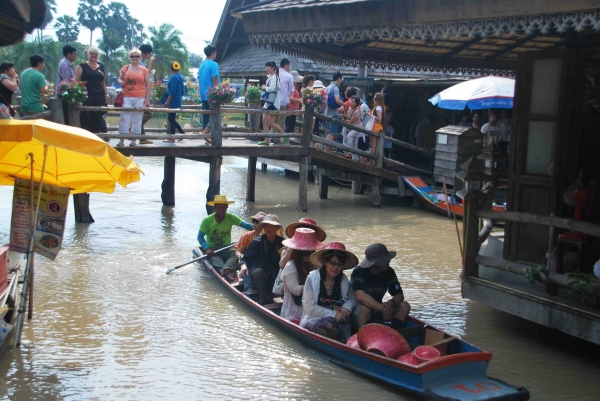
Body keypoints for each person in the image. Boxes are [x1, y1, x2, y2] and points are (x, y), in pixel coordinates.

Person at [301, 242, 358, 341]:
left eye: (339, 264)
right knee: (327, 326)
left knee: (331, 326)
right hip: (314, 318)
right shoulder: (312, 278)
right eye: (332, 263)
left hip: (339, 321)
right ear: (325, 262)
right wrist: (334, 315)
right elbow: (309, 308)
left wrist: (346, 307)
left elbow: (353, 298)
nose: (336, 267)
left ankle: (338, 346)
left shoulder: (344, 280)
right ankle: (339, 345)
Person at [351, 243, 411, 330]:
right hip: (359, 307)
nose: (389, 261)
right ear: (375, 263)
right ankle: (359, 336)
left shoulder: (389, 272)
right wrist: (383, 308)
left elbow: (399, 295)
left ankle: (396, 332)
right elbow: (361, 296)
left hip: (379, 306)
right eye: (385, 260)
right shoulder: (359, 272)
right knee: (366, 309)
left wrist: (391, 303)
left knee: (404, 306)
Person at [198, 195, 254, 282]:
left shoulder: (231, 217)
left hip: (226, 247)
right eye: (219, 207)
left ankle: (225, 271)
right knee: (215, 260)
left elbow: (246, 225)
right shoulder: (207, 220)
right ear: (215, 208)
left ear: (227, 207)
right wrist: (206, 248)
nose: (221, 209)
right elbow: (200, 236)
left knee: (236, 255)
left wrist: (260, 226)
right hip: (213, 249)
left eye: (224, 207)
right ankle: (226, 272)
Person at [280, 228, 325, 323]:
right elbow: (295, 290)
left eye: (310, 252)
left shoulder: (315, 265)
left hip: (310, 305)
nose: (307, 254)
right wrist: (314, 286)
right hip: (294, 309)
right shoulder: (290, 266)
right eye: (304, 252)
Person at [242, 214, 285, 305]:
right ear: (264, 228)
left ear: (277, 228)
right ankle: (263, 302)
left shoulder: (282, 242)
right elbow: (246, 259)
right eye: (267, 226)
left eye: (272, 226)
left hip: (277, 278)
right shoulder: (257, 242)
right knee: (258, 272)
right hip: (261, 279)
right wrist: (243, 266)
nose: (269, 229)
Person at [117, 48, 150, 147]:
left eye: (137, 56)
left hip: (140, 96)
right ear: (130, 57)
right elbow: (119, 78)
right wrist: (120, 82)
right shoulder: (125, 68)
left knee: (137, 118)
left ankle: (134, 140)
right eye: (132, 56)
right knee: (124, 117)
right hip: (127, 95)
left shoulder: (144, 70)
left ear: (140, 58)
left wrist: (147, 98)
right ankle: (121, 140)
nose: (134, 58)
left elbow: (148, 84)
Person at [75, 46, 107, 134]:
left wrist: (105, 95)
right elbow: (76, 80)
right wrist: (80, 91)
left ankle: (96, 137)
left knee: (98, 117)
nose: (94, 56)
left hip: (99, 95)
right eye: (92, 54)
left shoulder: (101, 67)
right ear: (87, 55)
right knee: (85, 117)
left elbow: (103, 82)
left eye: (96, 54)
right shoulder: (81, 66)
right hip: (87, 95)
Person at [236, 212, 266, 290]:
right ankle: (249, 289)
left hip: (262, 263)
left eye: (258, 222)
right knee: (248, 265)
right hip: (248, 262)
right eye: (254, 222)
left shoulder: (268, 237)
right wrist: (240, 256)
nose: (255, 224)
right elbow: (238, 251)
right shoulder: (247, 236)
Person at [261, 60, 284, 145]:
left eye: (268, 67)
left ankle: (284, 135)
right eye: (266, 66)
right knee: (264, 120)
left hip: (273, 103)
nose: (267, 68)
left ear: (273, 68)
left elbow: (271, 88)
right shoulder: (270, 77)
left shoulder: (274, 77)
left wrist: (264, 88)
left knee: (271, 122)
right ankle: (266, 140)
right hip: (268, 102)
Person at [198, 44, 220, 135]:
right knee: (214, 113)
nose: (216, 54)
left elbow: (199, 78)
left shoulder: (201, 65)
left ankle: (205, 135)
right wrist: (217, 91)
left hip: (203, 94)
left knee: (205, 115)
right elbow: (214, 79)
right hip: (211, 93)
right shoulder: (214, 64)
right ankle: (207, 130)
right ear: (212, 53)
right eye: (215, 53)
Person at [163, 61, 185, 143]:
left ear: (171, 69)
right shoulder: (180, 77)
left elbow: (172, 91)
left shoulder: (173, 77)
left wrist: (167, 101)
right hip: (178, 99)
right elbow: (183, 91)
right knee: (172, 118)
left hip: (173, 100)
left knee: (171, 119)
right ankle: (181, 133)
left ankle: (172, 137)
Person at [324, 72, 345, 152]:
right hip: (334, 113)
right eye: (341, 79)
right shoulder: (335, 88)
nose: (341, 81)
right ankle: (328, 151)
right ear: (338, 79)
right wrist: (345, 104)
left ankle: (326, 150)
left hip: (327, 113)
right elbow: (337, 100)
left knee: (329, 133)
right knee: (332, 133)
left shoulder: (328, 87)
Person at [138, 44, 155, 144]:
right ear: (145, 53)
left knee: (141, 114)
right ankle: (134, 129)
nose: (150, 55)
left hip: (142, 91)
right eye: (150, 53)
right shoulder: (139, 62)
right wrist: (151, 62)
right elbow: (146, 74)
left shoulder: (141, 62)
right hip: (140, 92)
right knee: (147, 113)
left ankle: (142, 138)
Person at [277, 58, 295, 142]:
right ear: (286, 65)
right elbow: (291, 90)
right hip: (283, 101)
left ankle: (273, 138)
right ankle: (279, 139)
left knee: (273, 120)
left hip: (273, 101)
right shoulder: (289, 75)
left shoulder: (275, 73)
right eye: (289, 65)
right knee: (280, 120)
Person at [342, 96, 363, 161]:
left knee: (349, 136)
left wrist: (344, 120)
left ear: (357, 104)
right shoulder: (349, 109)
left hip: (357, 127)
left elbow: (351, 121)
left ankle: (350, 152)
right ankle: (355, 158)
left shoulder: (356, 111)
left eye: (353, 102)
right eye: (351, 101)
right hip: (352, 127)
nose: (351, 103)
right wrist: (343, 117)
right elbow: (347, 117)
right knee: (354, 142)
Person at [366, 92, 386, 158]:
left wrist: (370, 114)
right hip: (378, 127)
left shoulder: (378, 108)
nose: (374, 100)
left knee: (373, 146)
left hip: (375, 127)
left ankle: (372, 162)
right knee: (376, 146)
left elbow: (379, 119)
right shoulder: (380, 107)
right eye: (374, 99)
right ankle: (374, 162)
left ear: (379, 100)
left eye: (375, 99)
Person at [285, 70, 303, 135]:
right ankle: (282, 136)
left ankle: (285, 141)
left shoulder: (289, 85)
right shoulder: (291, 86)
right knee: (290, 126)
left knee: (288, 126)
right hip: (291, 109)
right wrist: (300, 100)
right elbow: (290, 98)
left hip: (290, 109)